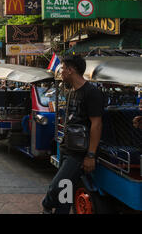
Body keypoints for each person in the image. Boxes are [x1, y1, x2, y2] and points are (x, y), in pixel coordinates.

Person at [42, 54, 104, 214]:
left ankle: (46, 205)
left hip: (79, 153)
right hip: (67, 147)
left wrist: (90, 155)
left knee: (56, 185)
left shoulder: (91, 93)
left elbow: (96, 125)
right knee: (66, 191)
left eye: (63, 69)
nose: (61, 72)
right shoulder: (71, 92)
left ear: (71, 70)